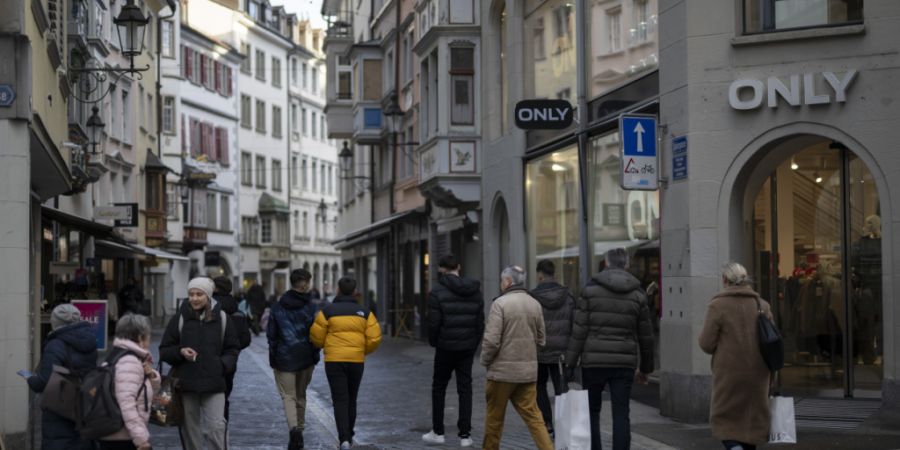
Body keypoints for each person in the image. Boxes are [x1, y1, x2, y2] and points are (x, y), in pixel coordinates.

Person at [565, 248, 654, 450]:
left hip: (593, 362)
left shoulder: (589, 290)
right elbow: (646, 337)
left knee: (592, 411)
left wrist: (570, 364)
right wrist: (646, 368)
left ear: (606, 264)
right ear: (627, 265)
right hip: (624, 363)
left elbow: (579, 331)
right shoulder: (638, 294)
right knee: (621, 413)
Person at [159, 277, 241, 450]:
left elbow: (232, 349)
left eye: (199, 294)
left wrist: (221, 365)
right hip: (186, 385)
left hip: (215, 383)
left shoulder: (223, 319)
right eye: (191, 294)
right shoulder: (180, 319)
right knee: (190, 430)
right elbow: (164, 349)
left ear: (208, 295)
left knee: (216, 428)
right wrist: (180, 352)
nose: (194, 298)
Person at [699, 262, 773, 450]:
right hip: (759, 371)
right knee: (751, 420)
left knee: (726, 418)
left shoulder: (717, 306)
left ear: (725, 280)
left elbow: (706, 344)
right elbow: (772, 338)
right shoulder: (762, 305)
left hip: (729, 372)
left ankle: (733, 447)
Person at [480, 266, 553, 450]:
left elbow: (491, 341)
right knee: (535, 418)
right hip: (527, 373)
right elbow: (542, 339)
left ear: (508, 282)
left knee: (494, 420)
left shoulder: (500, 304)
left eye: (501, 280)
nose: (500, 284)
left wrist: (485, 361)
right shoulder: (534, 303)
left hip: (502, 374)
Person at [310, 277, 382, 449]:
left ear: (338, 290)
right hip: (356, 360)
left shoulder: (327, 311)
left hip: (334, 360)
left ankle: (344, 439)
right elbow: (374, 338)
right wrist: (362, 350)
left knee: (339, 399)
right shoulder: (364, 312)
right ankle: (349, 434)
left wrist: (326, 345)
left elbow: (316, 337)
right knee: (352, 398)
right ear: (355, 291)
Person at [422, 254, 484, 447]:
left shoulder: (437, 292)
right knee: (465, 389)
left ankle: (438, 432)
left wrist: (435, 342)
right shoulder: (474, 290)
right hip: (467, 347)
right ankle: (465, 436)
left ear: (441, 269)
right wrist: (474, 344)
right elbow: (479, 322)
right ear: (459, 266)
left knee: (439, 387)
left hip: (445, 347)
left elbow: (433, 323)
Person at [26, 304, 98, 450]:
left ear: (55, 323)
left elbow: (44, 382)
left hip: (60, 410)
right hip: (84, 404)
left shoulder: (55, 345)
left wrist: (30, 379)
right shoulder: (90, 341)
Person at [268, 269, 320, 450]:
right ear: (307, 283)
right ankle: (300, 430)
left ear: (292, 283)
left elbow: (271, 336)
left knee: (288, 397)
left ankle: (294, 432)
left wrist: (273, 357)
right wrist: (315, 353)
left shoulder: (277, 306)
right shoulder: (312, 307)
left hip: (284, 358)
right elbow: (317, 335)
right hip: (306, 357)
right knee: (301, 396)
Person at [99, 313, 160, 450]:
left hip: (118, 433)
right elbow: (126, 403)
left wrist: (151, 375)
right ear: (140, 337)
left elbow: (142, 391)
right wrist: (141, 438)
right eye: (148, 335)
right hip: (122, 436)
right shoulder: (129, 362)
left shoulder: (118, 355)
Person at [530, 259, 575, 438]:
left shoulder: (532, 297)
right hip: (562, 352)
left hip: (540, 350)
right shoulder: (568, 296)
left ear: (539, 275)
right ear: (554, 275)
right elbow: (574, 324)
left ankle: (547, 423)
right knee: (560, 385)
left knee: (540, 385)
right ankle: (564, 424)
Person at [213, 276, 251, 423]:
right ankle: (222, 423)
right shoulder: (237, 310)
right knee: (224, 393)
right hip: (229, 360)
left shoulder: (208, 307)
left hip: (208, 357)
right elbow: (246, 339)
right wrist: (234, 349)